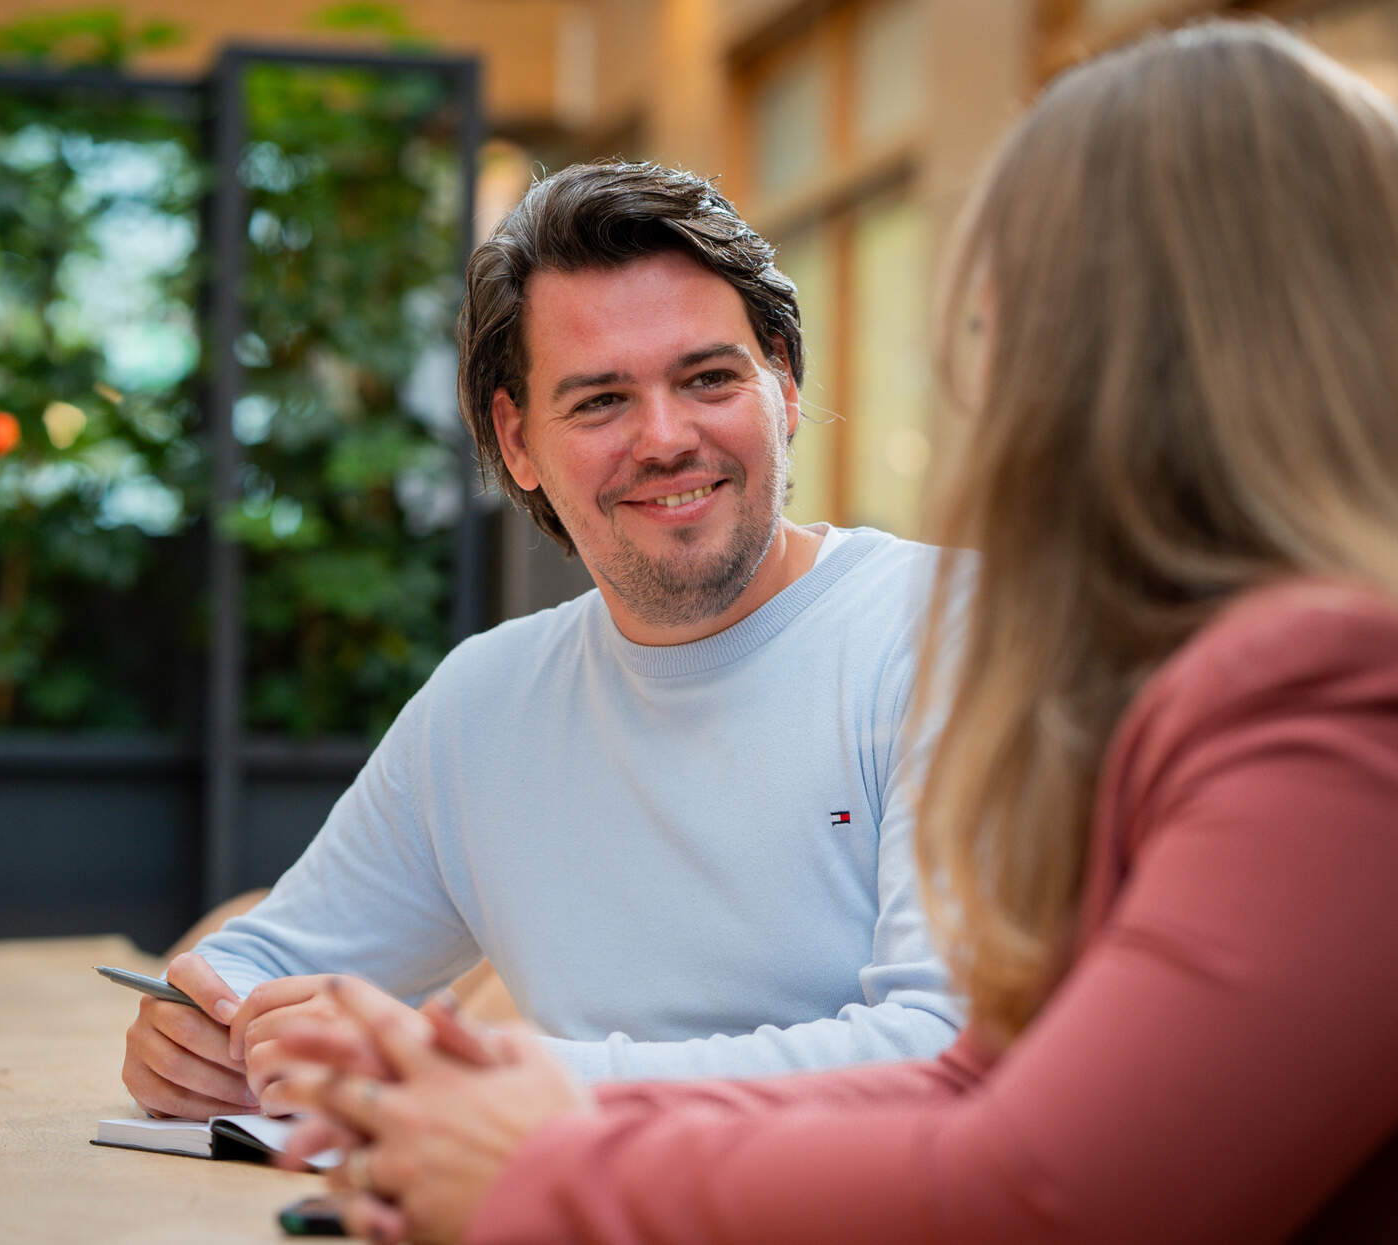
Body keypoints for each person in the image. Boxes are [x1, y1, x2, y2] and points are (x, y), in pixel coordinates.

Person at [270, 20, 1398, 1243]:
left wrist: (549, 1167)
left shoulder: (1364, 693)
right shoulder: (1275, 663)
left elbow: (1052, 1196)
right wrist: (543, 1113)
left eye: (1008, 324)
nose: (985, 386)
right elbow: (984, 1088)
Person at [121, 159, 965, 1121]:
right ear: (515, 440)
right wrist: (196, 1032)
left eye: (709, 378)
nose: (665, 436)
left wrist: (507, 1082)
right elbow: (270, 960)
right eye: (601, 400)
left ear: (783, 378)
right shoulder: (488, 702)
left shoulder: (949, 634)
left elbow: (945, 1049)